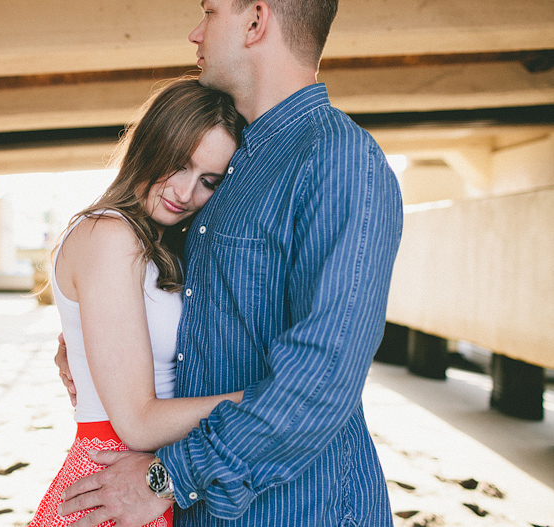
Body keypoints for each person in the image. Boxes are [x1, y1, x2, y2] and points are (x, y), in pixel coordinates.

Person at [54, 0, 404, 526]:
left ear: (256, 20)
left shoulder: (336, 159)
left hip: (296, 509)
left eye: (210, 11)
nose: (195, 33)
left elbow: (324, 375)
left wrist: (166, 477)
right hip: (197, 505)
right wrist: (82, 344)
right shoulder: (234, 160)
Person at [30, 78, 247, 527]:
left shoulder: (162, 244)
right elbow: (139, 423)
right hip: (113, 479)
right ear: (151, 144)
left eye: (208, 181)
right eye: (178, 165)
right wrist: (271, 402)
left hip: (153, 480)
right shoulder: (109, 235)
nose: (186, 193)